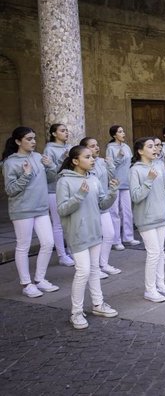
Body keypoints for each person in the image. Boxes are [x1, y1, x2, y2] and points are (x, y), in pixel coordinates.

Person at [56, 145, 119, 330]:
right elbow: (62, 209)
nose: (92, 159)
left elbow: (102, 204)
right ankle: (76, 312)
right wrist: (79, 195)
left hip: (94, 231)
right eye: (87, 157)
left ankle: (98, 304)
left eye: (92, 157)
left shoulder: (93, 179)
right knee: (83, 271)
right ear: (75, 161)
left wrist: (112, 192)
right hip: (77, 233)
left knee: (93, 269)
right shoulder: (64, 182)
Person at [2, 126, 59, 298]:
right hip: (22, 210)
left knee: (48, 243)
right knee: (23, 246)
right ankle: (27, 284)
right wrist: (25, 175)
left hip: (41, 208)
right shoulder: (10, 162)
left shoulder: (38, 157)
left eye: (34, 138)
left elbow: (50, 179)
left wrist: (50, 167)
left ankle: (40, 279)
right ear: (18, 141)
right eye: (28, 139)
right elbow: (10, 190)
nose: (33, 142)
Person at [129, 137, 165, 302]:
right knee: (154, 253)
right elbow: (136, 196)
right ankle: (150, 290)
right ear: (140, 151)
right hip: (146, 218)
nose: (155, 149)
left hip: (160, 216)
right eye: (150, 146)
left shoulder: (159, 166)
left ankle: (161, 284)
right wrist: (149, 179)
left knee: (160, 252)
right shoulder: (135, 170)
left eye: (155, 146)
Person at [79, 137, 120, 277]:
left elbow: (111, 176)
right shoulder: (83, 166)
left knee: (109, 234)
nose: (97, 148)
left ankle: (103, 263)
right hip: (90, 207)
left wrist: (111, 165)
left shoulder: (101, 162)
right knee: (93, 239)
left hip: (103, 204)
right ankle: (93, 268)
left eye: (97, 145)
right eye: (92, 146)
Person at [43, 123, 74, 266]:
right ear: (54, 134)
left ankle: (73, 250)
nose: (66, 133)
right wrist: (63, 158)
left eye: (67, 130)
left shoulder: (68, 147)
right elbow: (51, 172)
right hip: (54, 190)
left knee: (70, 223)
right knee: (58, 224)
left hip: (68, 188)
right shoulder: (49, 149)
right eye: (62, 131)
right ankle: (62, 255)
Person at [106, 125, 139, 249]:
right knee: (115, 212)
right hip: (115, 181)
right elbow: (110, 165)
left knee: (127, 211)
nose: (123, 133)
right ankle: (116, 240)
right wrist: (119, 157)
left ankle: (128, 237)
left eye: (123, 131)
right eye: (120, 132)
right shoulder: (110, 148)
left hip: (126, 182)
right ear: (114, 135)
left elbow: (130, 162)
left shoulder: (126, 147)